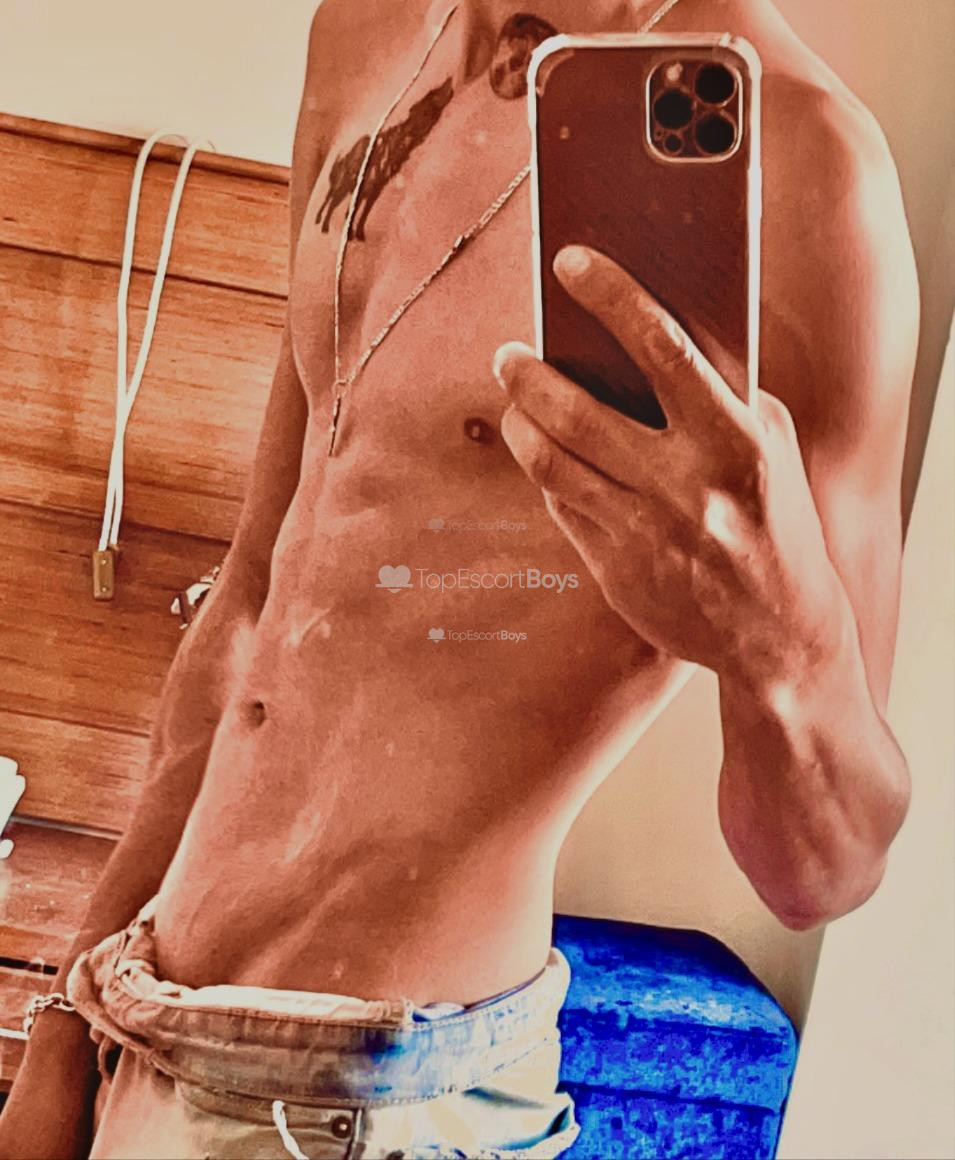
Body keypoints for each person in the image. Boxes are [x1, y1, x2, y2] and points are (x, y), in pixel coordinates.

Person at [0, 0, 919, 1156]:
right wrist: (68, 1019)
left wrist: (787, 643)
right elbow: (253, 593)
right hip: (151, 1031)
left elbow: (824, 868)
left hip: (391, 1101)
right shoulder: (362, 32)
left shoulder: (812, 173)